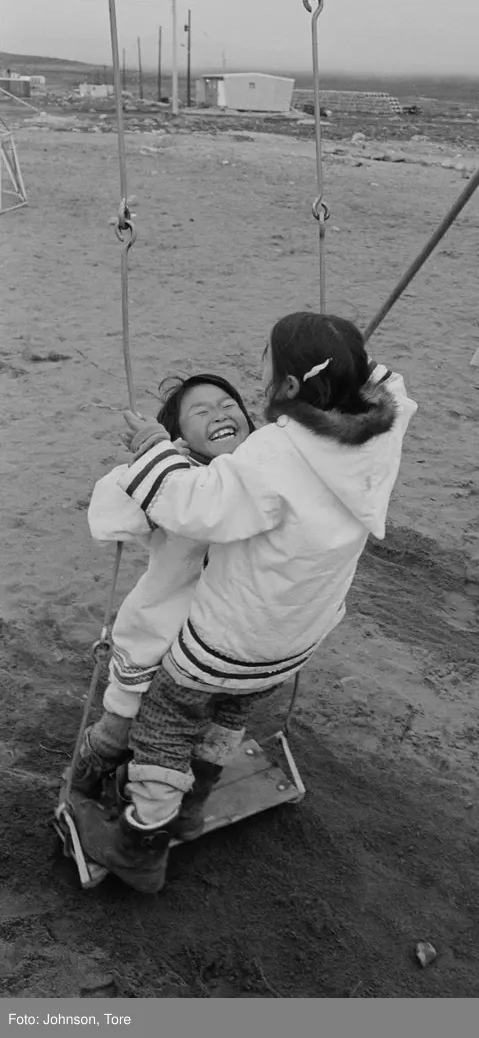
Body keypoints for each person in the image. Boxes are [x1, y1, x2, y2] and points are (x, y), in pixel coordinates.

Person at [74, 312, 417, 893]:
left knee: (163, 722)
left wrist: (154, 448)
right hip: (297, 638)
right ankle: (191, 803)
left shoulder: (271, 457)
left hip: (230, 637)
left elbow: (193, 504)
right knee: (231, 712)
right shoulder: (383, 428)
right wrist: (338, 358)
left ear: (284, 390)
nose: (224, 409)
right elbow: (388, 383)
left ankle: (142, 842)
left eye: (264, 365)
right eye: (199, 411)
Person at [71, 374, 256, 814]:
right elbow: (115, 507)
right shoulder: (176, 482)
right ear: (180, 440)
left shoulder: (263, 475)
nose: (220, 413)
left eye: (229, 404)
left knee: (208, 730)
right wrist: (154, 455)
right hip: (161, 636)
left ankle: (178, 798)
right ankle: (86, 776)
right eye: (201, 411)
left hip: (223, 643)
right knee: (121, 728)